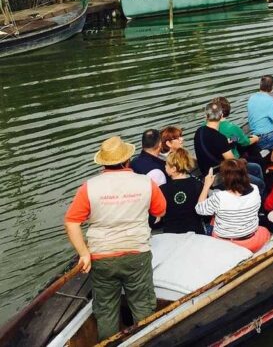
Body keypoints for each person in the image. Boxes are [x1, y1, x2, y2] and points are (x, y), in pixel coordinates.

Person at [64, 136, 166, 340]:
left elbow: (71, 222)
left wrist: (84, 254)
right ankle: (146, 341)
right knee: (143, 306)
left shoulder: (89, 187)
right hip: (137, 254)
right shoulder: (146, 183)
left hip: (102, 258)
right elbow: (160, 211)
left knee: (106, 311)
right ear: (127, 160)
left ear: (103, 163)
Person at [195, 160, 271, 252]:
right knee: (264, 231)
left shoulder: (220, 197)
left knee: (210, 221)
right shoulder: (255, 189)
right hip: (252, 239)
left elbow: (199, 209)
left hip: (227, 244)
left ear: (225, 178)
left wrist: (206, 186)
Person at [194, 100, 265, 196]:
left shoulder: (199, 131)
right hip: (221, 176)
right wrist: (243, 161)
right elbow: (234, 163)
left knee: (256, 168)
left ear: (206, 116)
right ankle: (257, 202)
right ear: (221, 116)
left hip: (207, 174)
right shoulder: (220, 138)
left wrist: (226, 142)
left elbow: (212, 144)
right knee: (260, 184)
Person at [160, 148, 205, 235]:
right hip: (195, 232)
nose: (165, 166)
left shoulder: (163, 189)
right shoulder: (197, 184)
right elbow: (205, 213)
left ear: (173, 169)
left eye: (166, 164)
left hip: (171, 234)